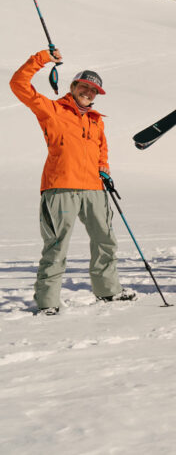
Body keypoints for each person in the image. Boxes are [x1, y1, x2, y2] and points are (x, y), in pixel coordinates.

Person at [10, 48, 136, 315]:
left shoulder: (96, 121)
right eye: (84, 87)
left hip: (94, 189)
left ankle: (108, 290)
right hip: (60, 188)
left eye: (94, 91)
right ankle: (48, 302)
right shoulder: (52, 110)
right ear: (74, 86)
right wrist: (43, 58)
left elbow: (102, 149)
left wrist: (104, 170)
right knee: (56, 245)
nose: (88, 93)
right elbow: (18, 84)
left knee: (105, 241)